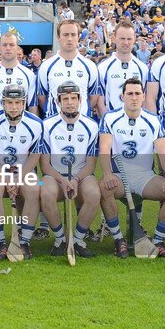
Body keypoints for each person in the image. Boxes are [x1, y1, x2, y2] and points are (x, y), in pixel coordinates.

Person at [98, 78, 165, 257]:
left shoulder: (153, 119)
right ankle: (118, 239)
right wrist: (106, 174)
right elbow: (104, 147)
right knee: (104, 188)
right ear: (122, 96)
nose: (134, 98)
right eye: (130, 94)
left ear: (144, 96)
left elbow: (162, 151)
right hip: (119, 175)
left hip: (145, 176)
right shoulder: (110, 118)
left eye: (137, 94)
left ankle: (158, 241)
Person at [39, 81, 102, 258]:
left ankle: (78, 239)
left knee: (93, 193)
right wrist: (62, 180)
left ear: (80, 100)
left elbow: (90, 165)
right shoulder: (46, 125)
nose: (69, 102)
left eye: (73, 98)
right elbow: (44, 165)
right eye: (65, 98)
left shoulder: (91, 126)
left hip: (81, 175)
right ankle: (60, 240)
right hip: (54, 175)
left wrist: (75, 180)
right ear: (58, 102)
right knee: (45, 191)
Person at [0, 84, 43, 259]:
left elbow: (35, 155)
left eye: (18, 102)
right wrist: (6, 178)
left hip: (25, 172)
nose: (14, 107)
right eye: (9, 102)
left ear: (24, 103)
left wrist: (19, 178)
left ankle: (24, 242)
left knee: (33, 189)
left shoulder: (35, 123)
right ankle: (0, 242)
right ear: (2, 103)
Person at [38, 20, 100, 119]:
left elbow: (93, 97)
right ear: (58, 37)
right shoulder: (46, 66)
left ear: (79, 37)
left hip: (82, 124)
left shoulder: (90, 66)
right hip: (53, 125)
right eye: (65, 35)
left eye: (73, 34)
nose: (70, 39)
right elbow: (42, 98)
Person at [0, 32, 38, 120]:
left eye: (12, 45)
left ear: (17, 48)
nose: (8, 48)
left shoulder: (29, 75)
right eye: (4, 45)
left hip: (21, 128)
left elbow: (33, 106)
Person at [96, 19, 148, 115]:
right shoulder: (103, 68)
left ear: (134, 38)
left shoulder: (142, 68)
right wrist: (108, 123)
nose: (126, 42)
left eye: (129, 39)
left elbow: (144, 101)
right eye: (122, 39)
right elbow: (100, 102)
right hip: (111, 124)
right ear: (114, 38)